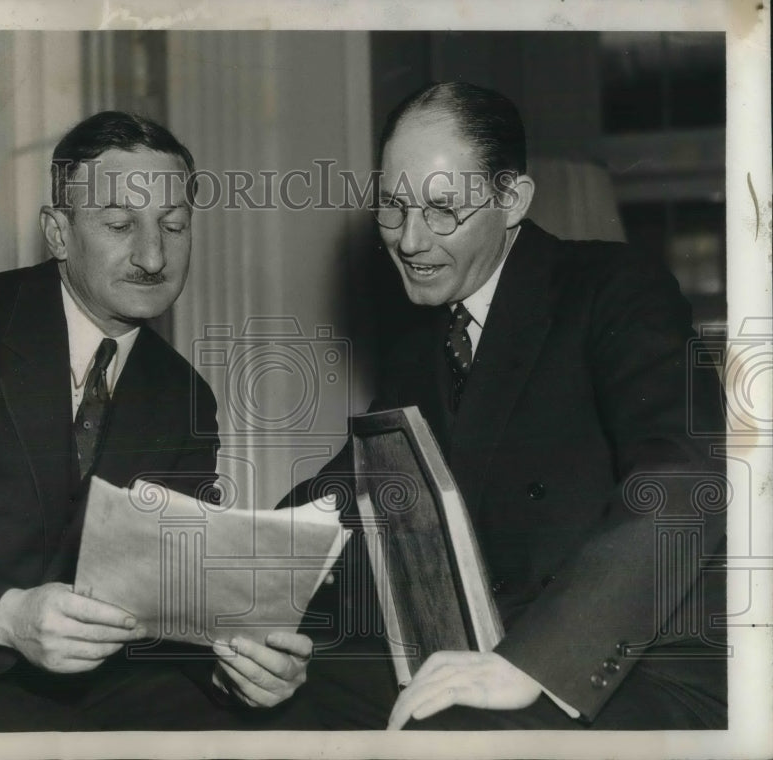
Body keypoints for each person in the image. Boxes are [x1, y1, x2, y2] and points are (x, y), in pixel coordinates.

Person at [0, 111, 311, 732]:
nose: (153, 256)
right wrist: (10, 617)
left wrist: (234, 669)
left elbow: (166, 602)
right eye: (120, 224)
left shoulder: (185, 395)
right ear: (57, 233)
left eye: (174, 226)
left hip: (75, 687)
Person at [287, 82, 727, 730]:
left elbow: (685, 480)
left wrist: (536, 663)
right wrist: (243, 593)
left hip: (633, 668)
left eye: (442, 210)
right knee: (258, 701)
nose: (409, 240)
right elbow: (357, 495)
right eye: (392, 208)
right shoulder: (423, 341)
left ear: (511, 199)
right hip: (485, 650)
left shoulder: (616, 288)